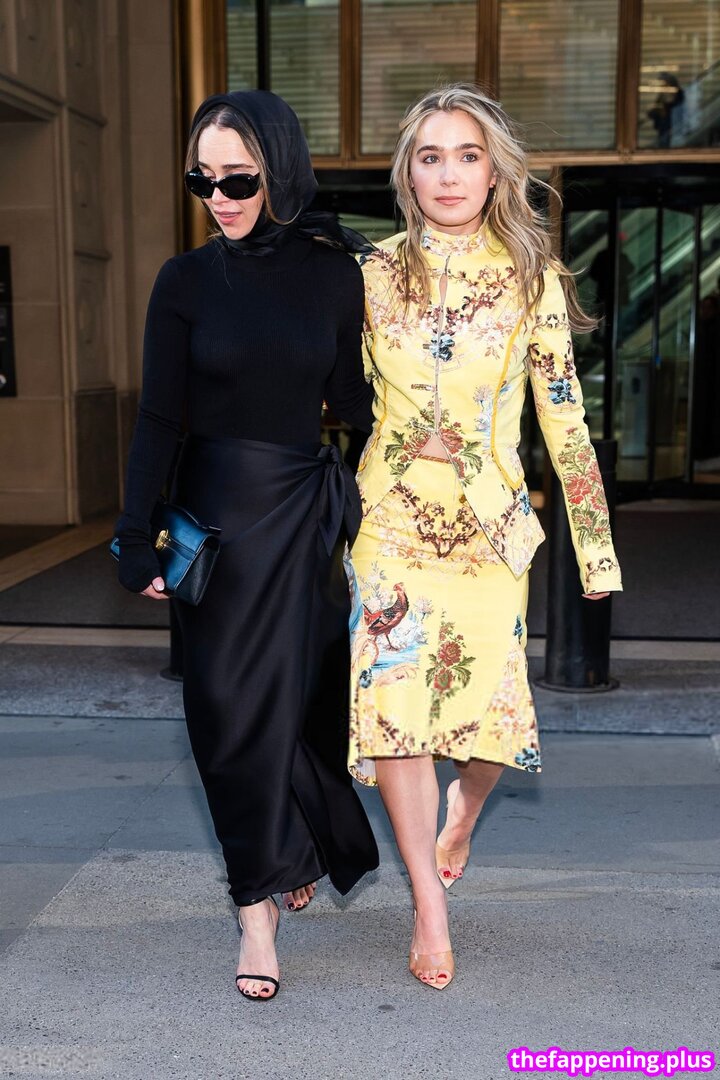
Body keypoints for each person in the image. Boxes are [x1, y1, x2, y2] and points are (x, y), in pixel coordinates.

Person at [348, 84, 623, 990]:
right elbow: (330, 390)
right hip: (390, 522)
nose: (449, 173)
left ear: (495, 171)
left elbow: (565, 421)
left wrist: (594, 546)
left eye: (467, 155)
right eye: (431, 156)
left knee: (487, 727)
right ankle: (427, 904)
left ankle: (463, 811)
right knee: (397, 716)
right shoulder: (370, 273)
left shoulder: (531, 279)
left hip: (488, 531)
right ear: (408, 174)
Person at [115, 90, 379, 1000]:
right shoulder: (184, 281)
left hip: (301, 517)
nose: (218, 198)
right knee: (226, 715)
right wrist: (132, 535)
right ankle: (255, 907)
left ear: (281, 171)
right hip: (216, 525)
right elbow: (158, 417)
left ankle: (281, 851)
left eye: (238, 179)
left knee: (296, 706)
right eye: (202, 181)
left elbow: (358, 404)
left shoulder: (334, 274)